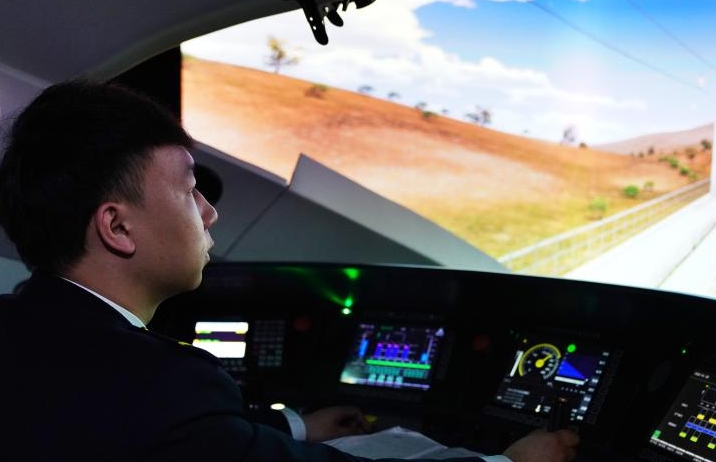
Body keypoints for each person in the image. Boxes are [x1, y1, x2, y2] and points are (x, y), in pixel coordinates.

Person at [0, 80, 579, 461]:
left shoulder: (21, 331)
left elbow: (201, 441)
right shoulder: (160, 383)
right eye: (189, 191)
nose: (210, 212)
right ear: (117, 227)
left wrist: (300, 426)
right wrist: (510, 461)